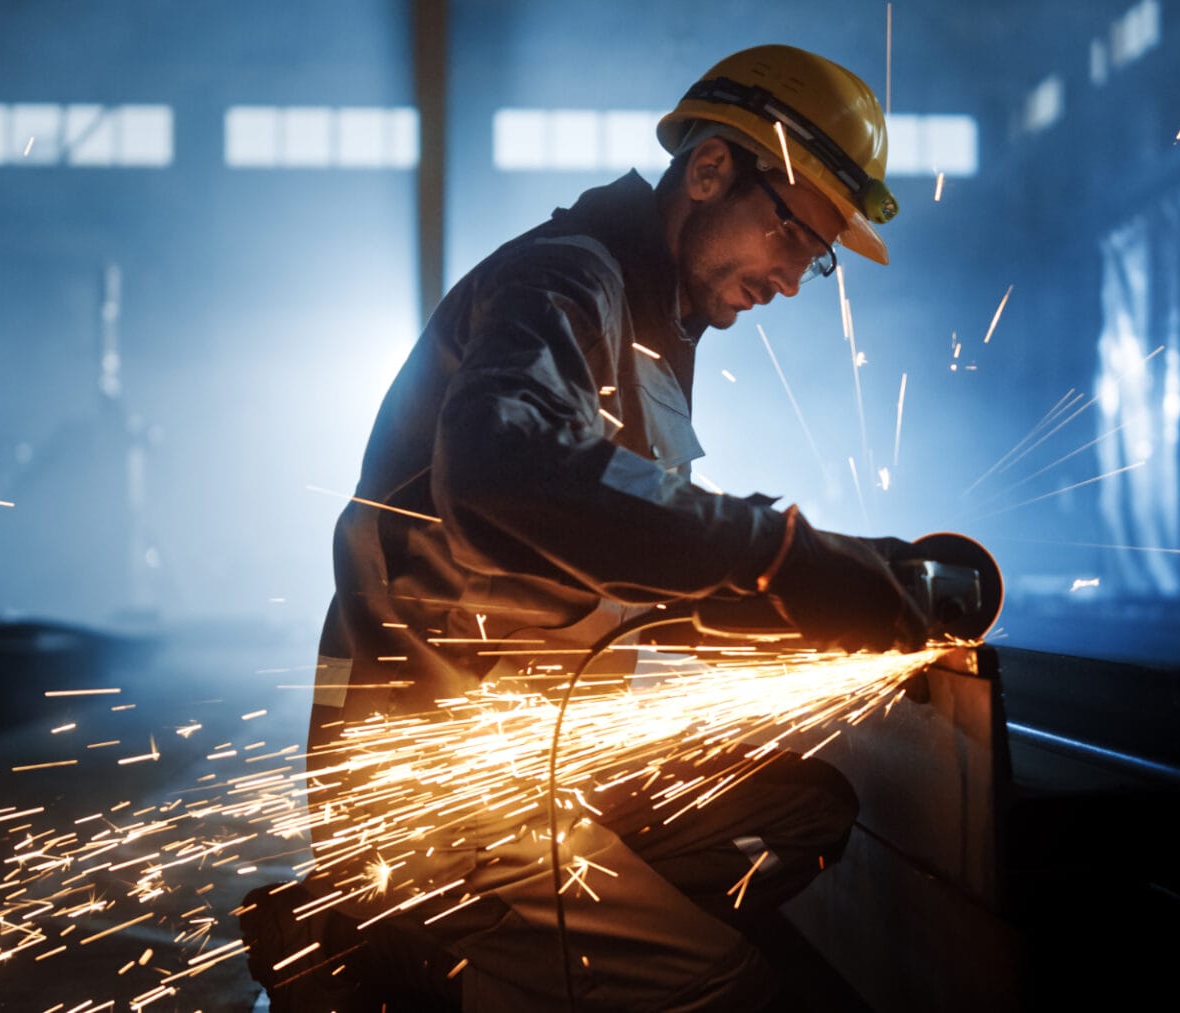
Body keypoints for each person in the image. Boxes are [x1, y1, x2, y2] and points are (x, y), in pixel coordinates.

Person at [242, 44, 929, 1011]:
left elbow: (619, 552)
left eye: (812, 258)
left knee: (798, 813)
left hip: (543, 745)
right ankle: (388, 949)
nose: (789, 275)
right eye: (790, 230)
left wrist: (831, 584)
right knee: (725, 990)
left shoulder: (652, 320)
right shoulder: (565, 282)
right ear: (708, 170)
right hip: (446, 777)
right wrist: (776, 553)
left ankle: (457, 964)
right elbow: (501, 467)